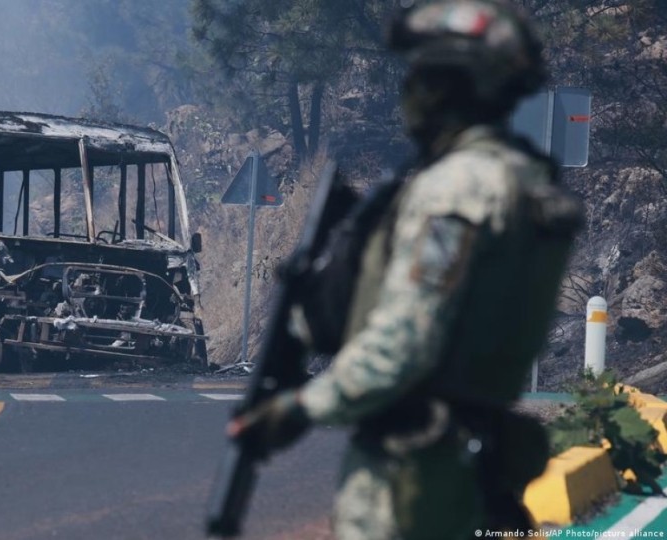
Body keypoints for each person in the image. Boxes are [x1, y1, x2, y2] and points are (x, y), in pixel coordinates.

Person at [227, 1, 582, 538]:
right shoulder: (528, 182)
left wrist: (299, 409)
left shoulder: (457, 189)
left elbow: (407, 341)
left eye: (424, 74)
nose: (411, 90)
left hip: (412, 474)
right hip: (474, 462)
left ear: (454, 85)